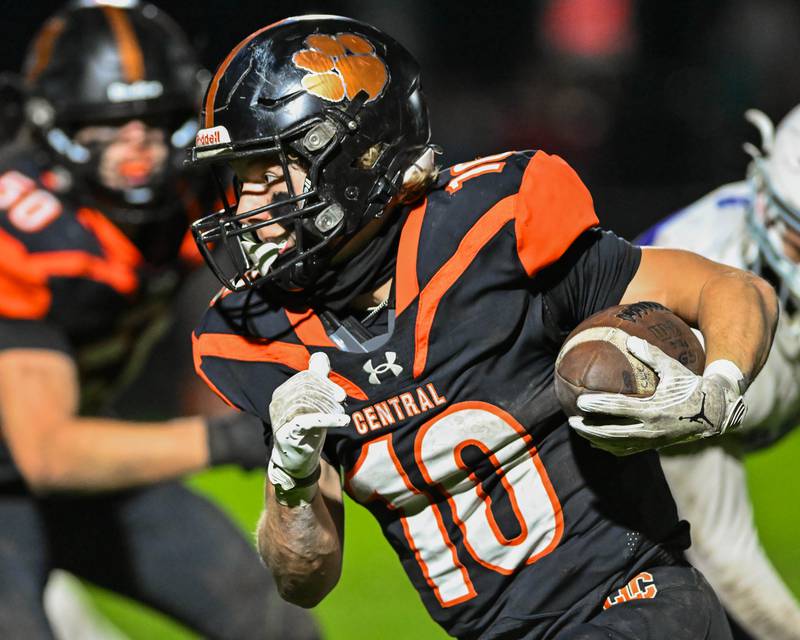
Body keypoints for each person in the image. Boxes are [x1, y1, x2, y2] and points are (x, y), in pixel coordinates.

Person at [190, 15, 778, 639]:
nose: (249, 209)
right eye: (240, 182)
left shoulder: (493, 231)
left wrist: (718, 390)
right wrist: (292, 477)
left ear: (355, 157)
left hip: (634, 603)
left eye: (271, 176)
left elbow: (734, 289)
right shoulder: (260, 330)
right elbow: (303, 579)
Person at [0, 3, 318, 639]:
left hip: (73, 449)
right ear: (53, 125)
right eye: (108, 126)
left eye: (155, 122)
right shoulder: (26, 232)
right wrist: (233, 438)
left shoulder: (188, 194)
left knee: (263, 614)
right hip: (32, 460)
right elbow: (48, 453)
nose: (137, 150)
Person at [635, 105, 800, 640]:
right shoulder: (699, 300)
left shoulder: (776, 207)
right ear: (769, 210)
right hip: (679, 403)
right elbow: (725, 556)